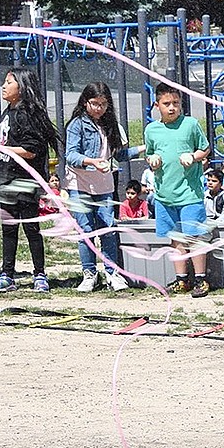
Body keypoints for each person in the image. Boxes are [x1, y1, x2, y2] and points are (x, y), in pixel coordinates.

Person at [0, 69, 60, 293]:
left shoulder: (28, 114)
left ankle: (40, 274)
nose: (4, 86)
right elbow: (7, 143)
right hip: (6, 177)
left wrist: (0, 148)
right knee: (8, 228)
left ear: (22, 87)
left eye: (9, 82)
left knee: (30, 228)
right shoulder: (9, 111)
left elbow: (31, 150)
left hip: (24, 181)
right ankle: (7, 274)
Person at [65, 81, 143, 292]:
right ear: (85, 102)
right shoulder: (76, 125)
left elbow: (117, 154)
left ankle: (112, 272)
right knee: (86, 231)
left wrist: (142, 149)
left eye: (103, 104)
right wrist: (91, 162)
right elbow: (71, 155)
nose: (99, 108)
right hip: (80, 185)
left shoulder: (109, 125)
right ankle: (89, 273)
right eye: (94, 103)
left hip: (104, 185)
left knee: (108, 229)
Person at [144, 81, 212, 297]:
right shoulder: (151, 129)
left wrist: (193, 156)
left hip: (190, 193)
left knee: (194, 236)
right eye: (166, 103)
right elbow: (150, 153)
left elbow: (205, 148)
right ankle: (182, 280)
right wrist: (152, 160)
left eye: (175, 103)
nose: (172, 107)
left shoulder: (191, 124)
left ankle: (201, 279)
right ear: (157, 105)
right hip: (165, 194)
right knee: (175, 239)